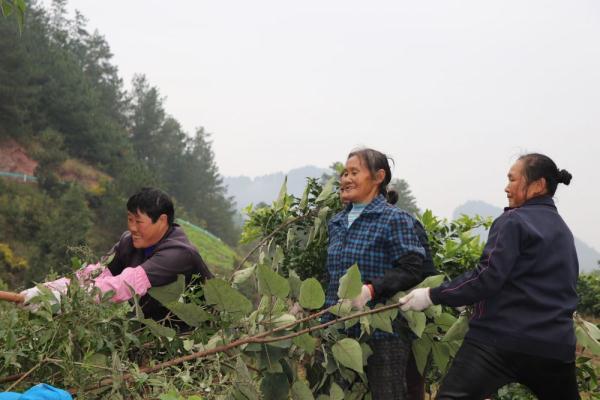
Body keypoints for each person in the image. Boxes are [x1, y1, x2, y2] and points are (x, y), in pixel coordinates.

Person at [400, 153, 580, 400]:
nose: (507, 187)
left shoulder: (513, 221)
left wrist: (432, 295)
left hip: (500, 341)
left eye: (513, 180)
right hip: (555, 346)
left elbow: (486, 277)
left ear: (539, 185)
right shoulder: (564, 231)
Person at [21, 187, 213, 324]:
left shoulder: (179, 254)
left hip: (193, 342)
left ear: (162, 221)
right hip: (149, 333)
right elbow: (96, 274)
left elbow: (125, 284)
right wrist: (46, 290)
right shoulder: (128, 242)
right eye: (130, 219)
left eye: (139, 221)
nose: (132, 228)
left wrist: (63, 300)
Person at [325, 148, 426, 400]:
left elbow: (413, 267)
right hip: (336, 331)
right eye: (344, 173)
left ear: (378, 176)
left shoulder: (395, 219)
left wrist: (371, 290)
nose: (346, 179)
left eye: (354, 172)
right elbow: (333, 274)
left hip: (384, 332)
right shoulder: (337, 223)